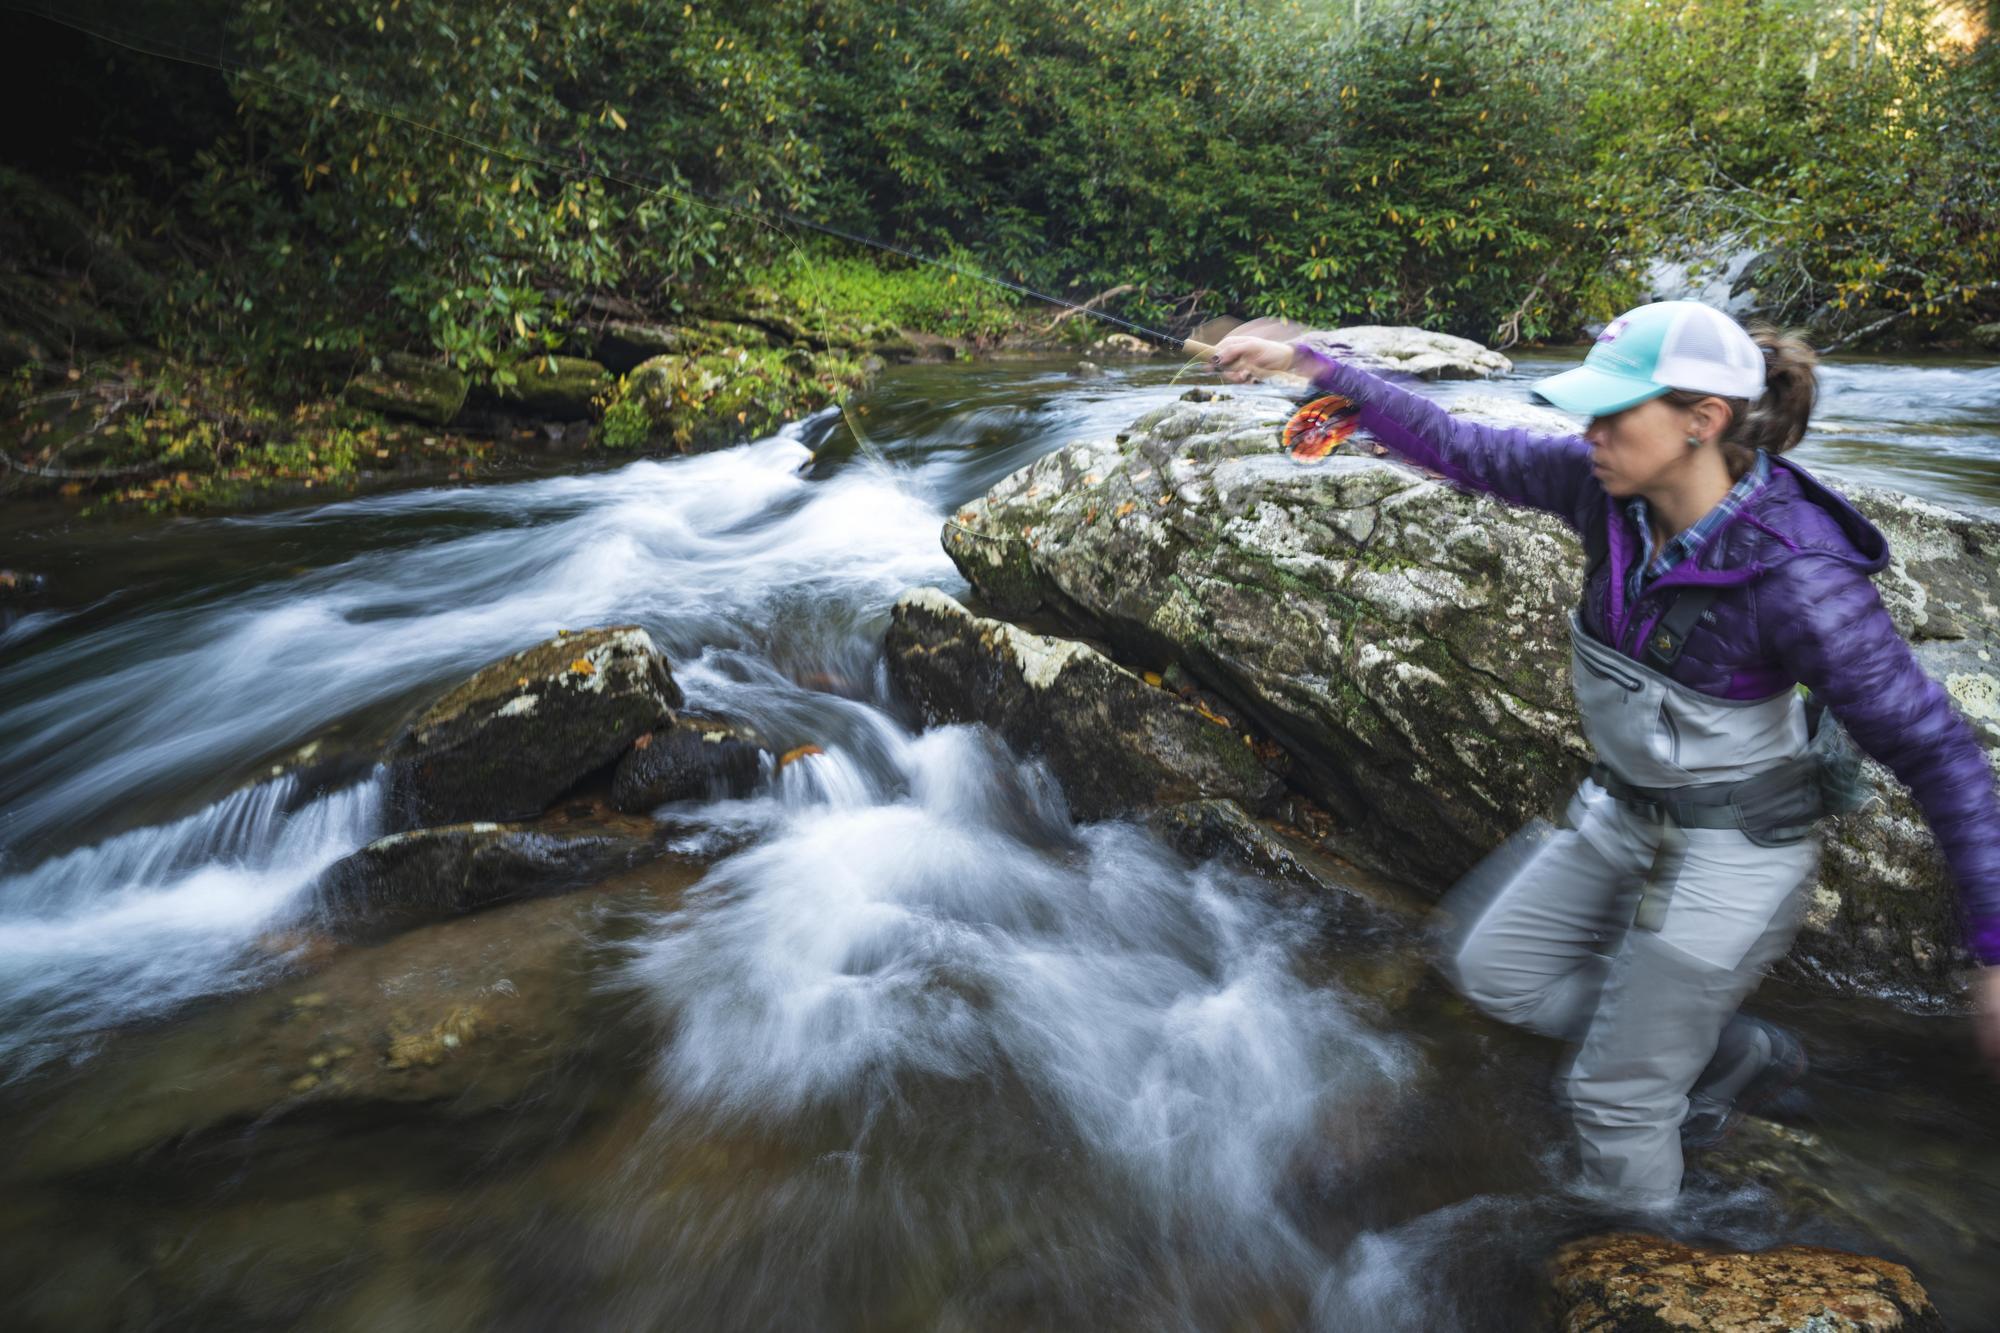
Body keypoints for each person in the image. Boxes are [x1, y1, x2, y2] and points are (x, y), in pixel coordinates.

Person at [1209, 302, 2000, 1210]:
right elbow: (1462, 444)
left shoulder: (1800, 578)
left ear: (1702, 422)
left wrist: (1996, 950)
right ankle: (1724, 1051)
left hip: (1737, 854)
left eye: (1612, 414)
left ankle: (1645, 1256)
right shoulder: (1605, 490)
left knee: (1614, 1096)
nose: (1588, 432)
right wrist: (1311, 364)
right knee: (1492, 969)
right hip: (1623, 808)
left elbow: (1940, 752)